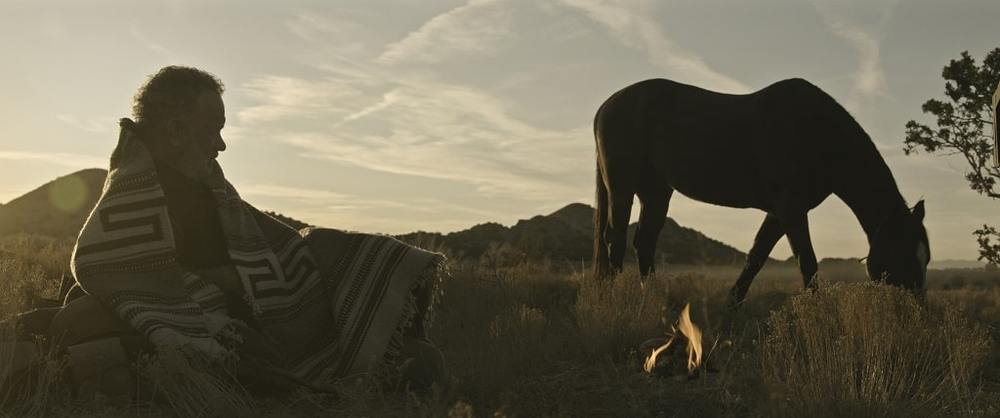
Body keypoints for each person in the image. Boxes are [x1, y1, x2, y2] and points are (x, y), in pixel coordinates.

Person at [10, 66, 447, 398]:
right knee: (75, 324)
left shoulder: (208, 191)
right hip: (221, 339)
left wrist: (331, 255)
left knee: (418, 357)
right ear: (177, 131)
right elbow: (113, 275)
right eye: (214, 130)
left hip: (276, 329)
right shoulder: (137, 200)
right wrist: (220, 285)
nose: (221, 145)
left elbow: (275, 245)